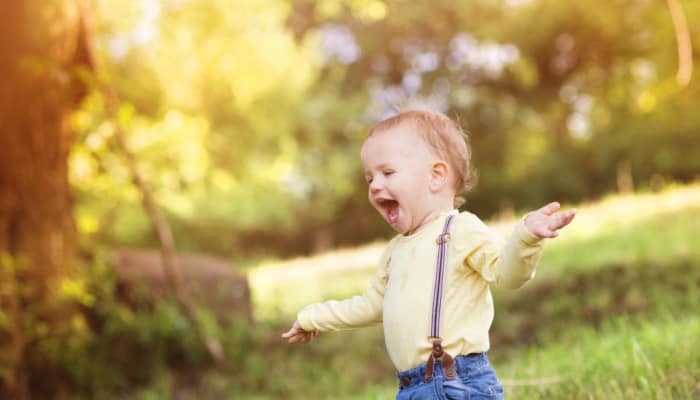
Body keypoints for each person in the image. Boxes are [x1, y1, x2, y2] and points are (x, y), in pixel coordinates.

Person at [281, 109, 576, 399]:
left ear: (435, 177)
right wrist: (312, 317)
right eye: (369, 178)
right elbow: (372, 305)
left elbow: (507, 275)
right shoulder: (394, 251)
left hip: (457, 381)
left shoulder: (460, 229)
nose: (374, 186)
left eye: (387, 172)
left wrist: (526, 239)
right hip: (411, 387)